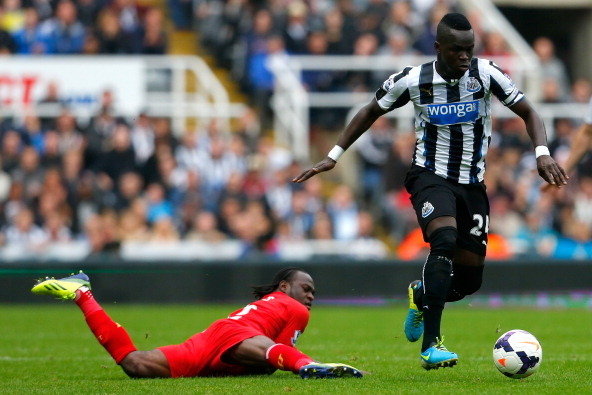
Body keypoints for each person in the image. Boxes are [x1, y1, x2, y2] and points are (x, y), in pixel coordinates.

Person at [293, 13, 568, 370]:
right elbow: (369, 111)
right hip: (430, 175)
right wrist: (333, 156)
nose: (465, 57)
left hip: (472, 183)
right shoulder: (413, 79)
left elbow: (529, 111)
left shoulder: (486, 74)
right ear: (438, 48)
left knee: (469, 280)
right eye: (457, 51)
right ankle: (431, 346)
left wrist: (542, 153)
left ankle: (421, 294)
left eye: (470, 49)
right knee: (444, 240)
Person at [31, 267, 363, 379]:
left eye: (313, 292)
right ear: (284, 287)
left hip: (211, 335)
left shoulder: (266, 304)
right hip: (238, 334)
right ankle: (309, 367)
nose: (311, 296)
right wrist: (293, 360)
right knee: (265, 353)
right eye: (306, 289)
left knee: (135, 363)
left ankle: (82, 292)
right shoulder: (295, 308)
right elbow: (269, 363)